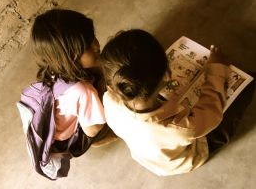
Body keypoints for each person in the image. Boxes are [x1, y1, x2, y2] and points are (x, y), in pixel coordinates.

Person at [99, 29, 233, 176]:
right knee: (235, 103)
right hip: (183, 160)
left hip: (150, 158)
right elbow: (211, 109)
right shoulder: (180, 128)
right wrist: (216, 69)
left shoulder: (108, 99)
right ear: (167, 75)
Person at [30, 8, 106, 148]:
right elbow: (93, 130)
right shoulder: (83, 91)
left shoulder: (51, 70)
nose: (96, 46)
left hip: (51, 129)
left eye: (92, 37)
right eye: (87, 47)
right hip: (71, 140)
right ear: (70, 58)